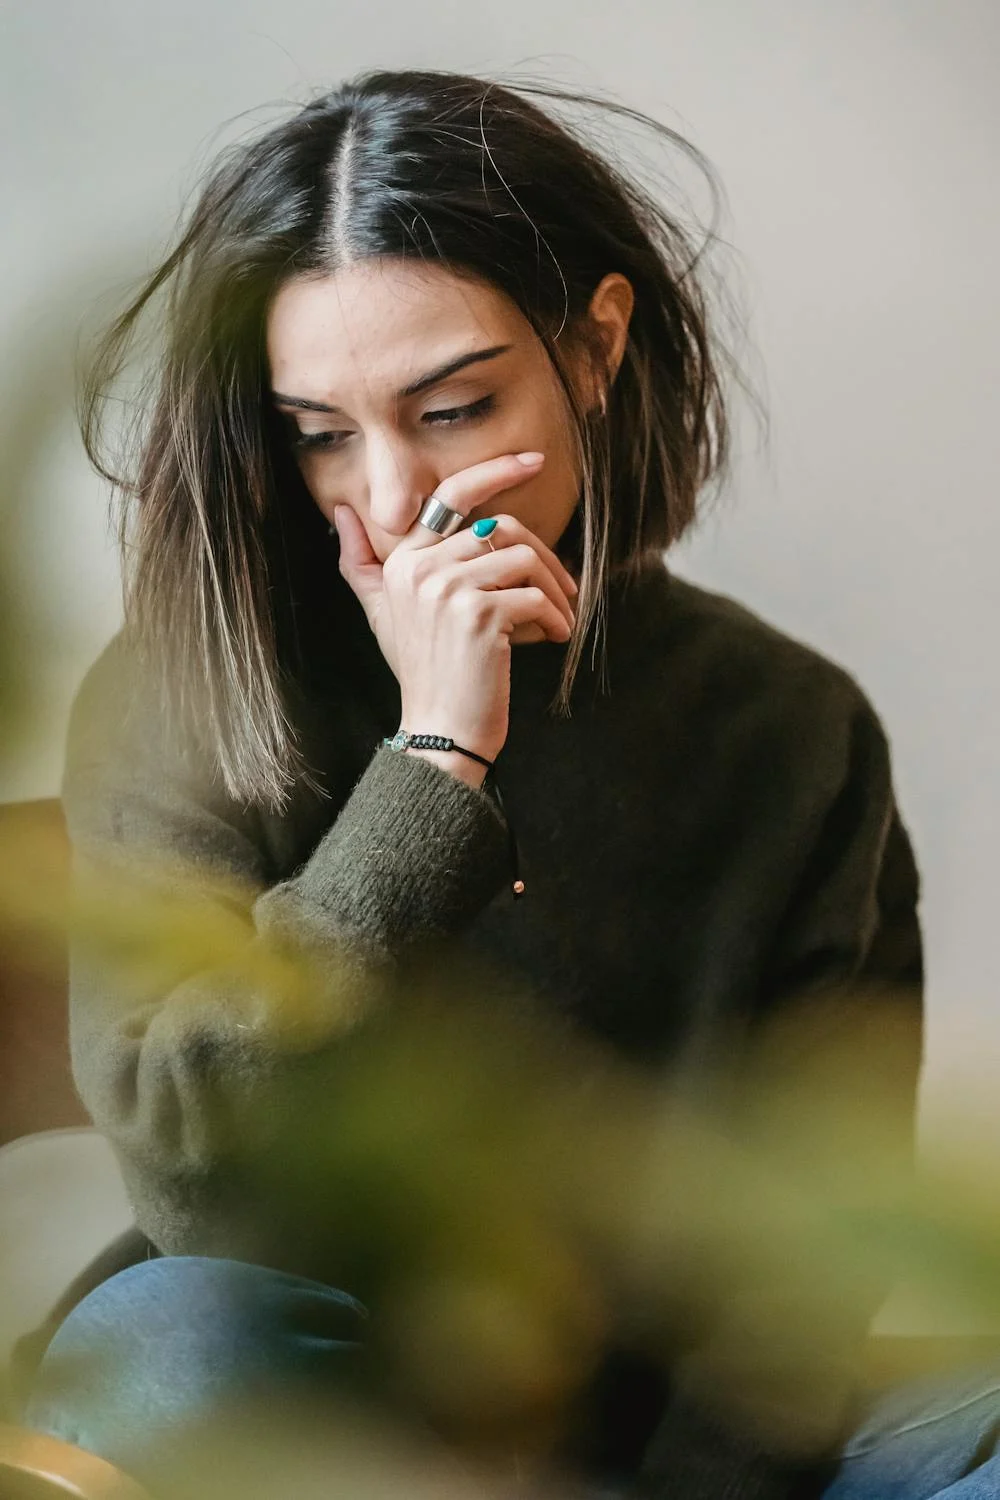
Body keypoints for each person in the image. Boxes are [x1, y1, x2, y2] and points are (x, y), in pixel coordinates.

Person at [21, 65, 987, 1500]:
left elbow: (793, 1278)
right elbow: (204, 1193)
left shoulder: (791, 731)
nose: (395, 501)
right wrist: (435, 759)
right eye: (320, 435)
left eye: (457, 407)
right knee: (176, 1335)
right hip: (287, 1400)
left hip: (644, 1440)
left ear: (595, 349)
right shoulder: (187, 690)